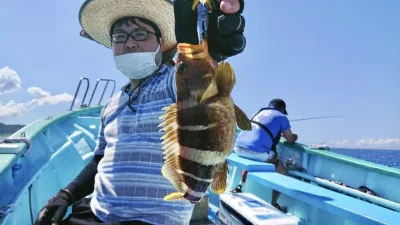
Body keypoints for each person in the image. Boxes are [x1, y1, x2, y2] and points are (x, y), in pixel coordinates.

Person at [34, 0, 246, 224]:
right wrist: (66, 195)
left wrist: (212, 44)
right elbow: (99, 159)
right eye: (120, 36)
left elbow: (197, 80)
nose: (130, 43)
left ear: (162, 43)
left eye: (140, 34)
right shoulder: (112, 104)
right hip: (95, 211)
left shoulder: (172, 82)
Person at [232, 98, 298, 213]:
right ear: (281, 109)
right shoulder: (282, 117)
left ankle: (239, 186)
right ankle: (273, 203)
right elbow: (290, 139)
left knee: (253, 159)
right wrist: (294, 136)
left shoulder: (258, 112)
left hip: (238, 148)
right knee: (284, 173)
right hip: (257, 152)